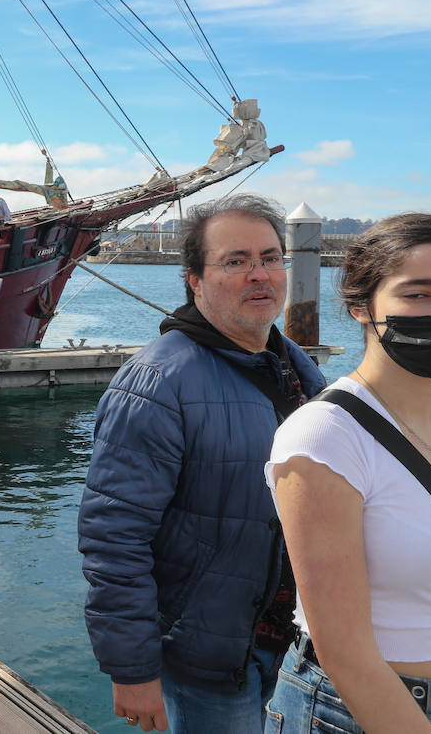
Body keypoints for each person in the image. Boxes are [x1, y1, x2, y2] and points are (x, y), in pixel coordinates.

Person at [77, 193, 326, 732]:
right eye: (235, 261)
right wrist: (132, 669)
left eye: (270, 257)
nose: (258, 274)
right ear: (193, 278)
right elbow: (114, 536)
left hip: (297, 647)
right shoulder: (157, 384)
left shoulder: (296, 371)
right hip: (209, 662)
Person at [265, 213, 431, 732]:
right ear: (361, 307)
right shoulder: (325, 439)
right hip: (352, 711)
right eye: (418, 294)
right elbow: (347, 652)